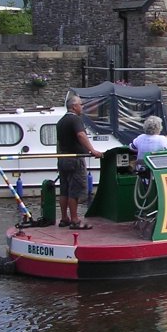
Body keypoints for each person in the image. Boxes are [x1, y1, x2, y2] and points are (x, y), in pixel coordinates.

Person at [56, 94, 103, 230]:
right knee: (75, 189)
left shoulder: (61, 121)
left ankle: (64, 218)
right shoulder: (75, 120)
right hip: (75, 159)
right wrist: (92, 150)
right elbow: (81, 135)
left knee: (64, 189)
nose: (82, 107)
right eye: (80, 105)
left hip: (63, 157)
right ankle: (75, 220)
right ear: (74, 106)